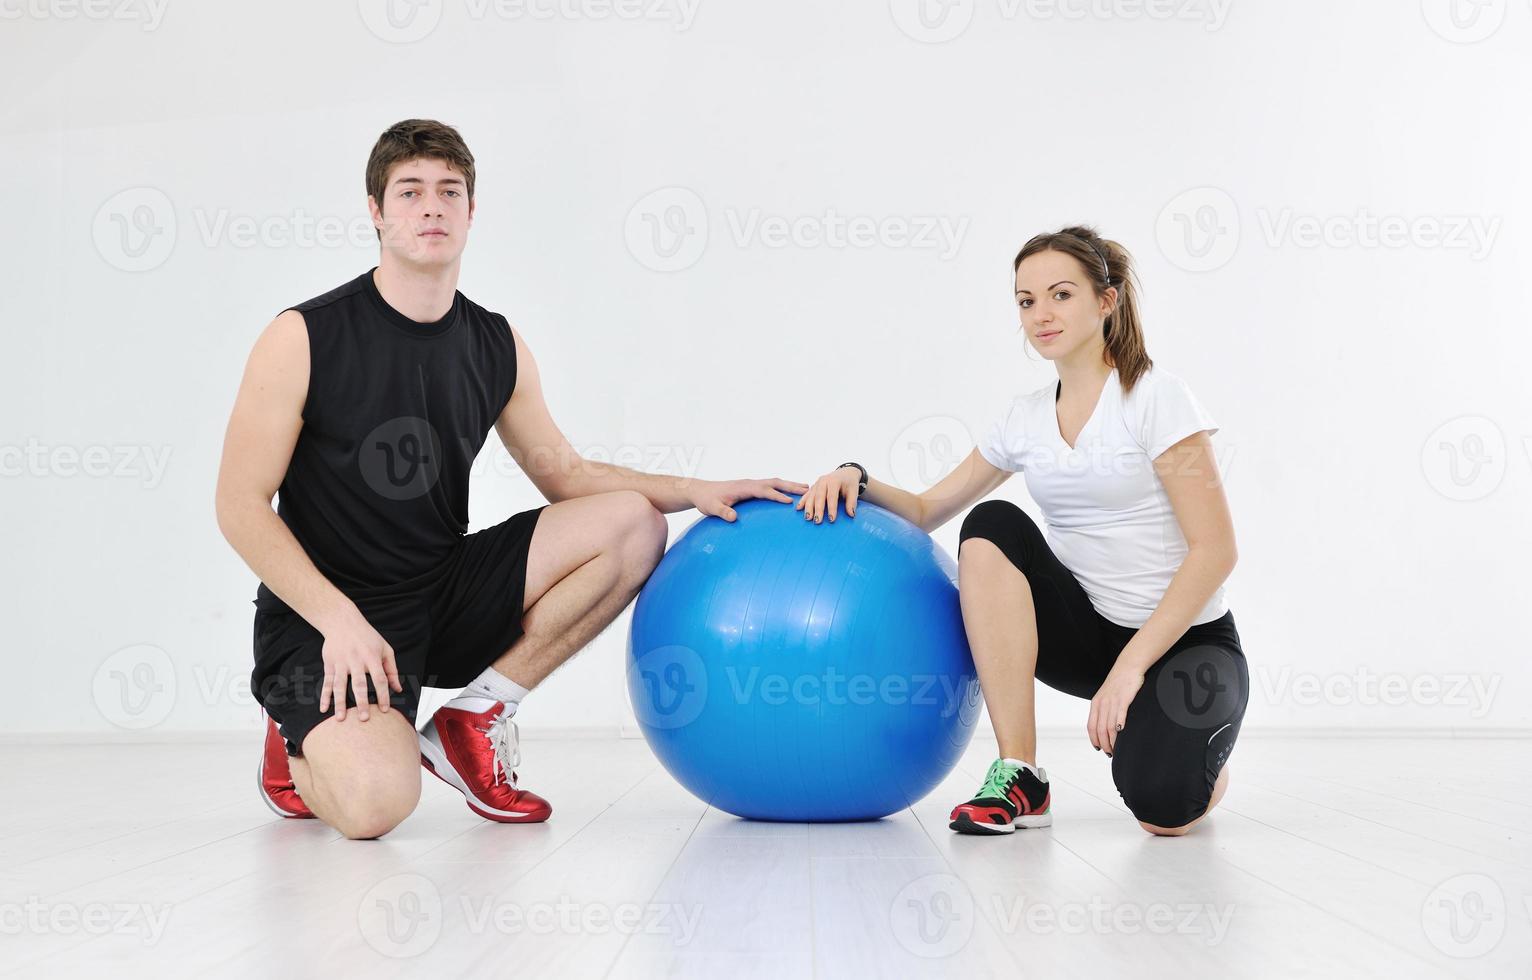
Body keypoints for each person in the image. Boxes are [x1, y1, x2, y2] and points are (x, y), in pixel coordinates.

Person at [215, 119, 805, 840]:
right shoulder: (302, 337)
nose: (431, 207)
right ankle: (296, 735)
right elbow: (240, 506)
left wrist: (694, 491)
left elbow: (569, 476)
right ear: (375, 211)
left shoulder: (495, 343)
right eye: (410, 192)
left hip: (441, 591)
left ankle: (475, 718)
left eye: (448, 191)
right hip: (329, 618)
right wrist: (336, 620)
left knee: (631, 523)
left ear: (470, 212)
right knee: (374, 806)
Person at [797, 225, 1248, 837]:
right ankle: (1021, 775)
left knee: (1163, 813)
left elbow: (1216, 551)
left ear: (1106, 301)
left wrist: (1131, 670)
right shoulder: (1025, 417)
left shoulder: (1156, 398)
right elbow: (930, 507)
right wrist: (856, 475)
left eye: (1061, 295)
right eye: (1026, 300)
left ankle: (1199, 764)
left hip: (1184, 646)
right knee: (990, 525)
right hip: (1085, 634)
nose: (1041, 315)